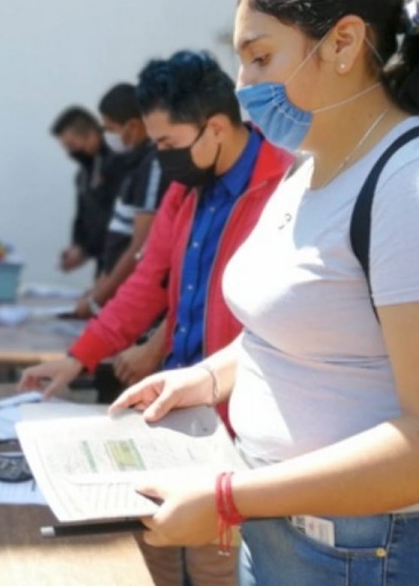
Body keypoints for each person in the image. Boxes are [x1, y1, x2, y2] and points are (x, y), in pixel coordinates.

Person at [111, 0, 419, 584]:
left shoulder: (404, 183)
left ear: (344, 43)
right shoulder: (309, 164)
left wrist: (227, 499)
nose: (243, 81)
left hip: (356, 551)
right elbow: (293, 331)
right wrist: (205, 378)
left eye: (258, 56)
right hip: (278, 532)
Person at [21, 51, 294, 586]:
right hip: (175, 414)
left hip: (241, 430)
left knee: (218, 568)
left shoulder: (283, 186)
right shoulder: (185, 188)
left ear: (214, 127)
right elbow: (148, 284)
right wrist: (78, 359)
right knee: (156, 557)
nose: (162, 157)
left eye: (168, 144)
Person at [72, 83, 169, 318]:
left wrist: (98, 299)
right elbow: (118, 241)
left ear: (133, 126)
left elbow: (139, 247)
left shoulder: (154, 165)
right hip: (117, 296)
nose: (108, 137)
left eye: (110, 128)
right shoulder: (131, 164)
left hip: (137, 306)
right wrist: (98, 291)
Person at [50, 106, 120, 275]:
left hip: (120, 259)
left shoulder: (117, 164)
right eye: (67, 147)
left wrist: (87, 250)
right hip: (102, 261)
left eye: (72, 145)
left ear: (91, 134)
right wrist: (78, 247)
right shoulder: (82, 174)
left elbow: (114, 218)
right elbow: (82, 215)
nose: (71, 152)